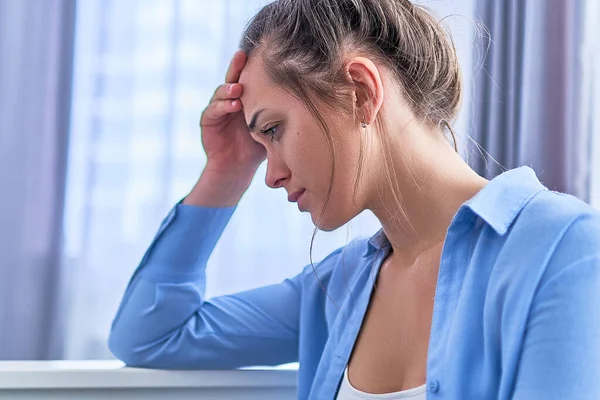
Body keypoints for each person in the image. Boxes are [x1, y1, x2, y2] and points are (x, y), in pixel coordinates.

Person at [108, 0, 600, 399]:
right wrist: (225, 170)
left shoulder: (564, 250)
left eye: (274, 130)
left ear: (361, 92)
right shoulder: (336, 287)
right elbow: (152, 335)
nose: (271, 176)